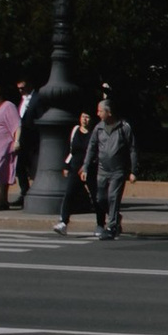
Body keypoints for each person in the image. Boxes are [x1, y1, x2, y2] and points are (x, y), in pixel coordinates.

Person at [87, 91, 136, 239]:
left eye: (100, 111)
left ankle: (112, 226)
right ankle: (115, 217)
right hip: (102, 170)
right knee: (100, 198)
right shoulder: (98, 128)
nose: (98, 113)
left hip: (118, 170)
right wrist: (85, 165)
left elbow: (132, 149)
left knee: (113, 197)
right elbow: (92, 147)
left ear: (109, 112)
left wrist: (133, 170)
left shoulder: (124, 127)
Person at [54, 104, 96, 235]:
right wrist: (66, 165)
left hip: (90, 168)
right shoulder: (75, 130)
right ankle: (63, 222)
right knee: (69, 194)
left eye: (87, 117)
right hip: (75, 167)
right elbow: (71, 150)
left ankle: (105, 222)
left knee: (97, 197)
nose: (85, 120)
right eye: (83, 117)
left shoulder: (94, 133)